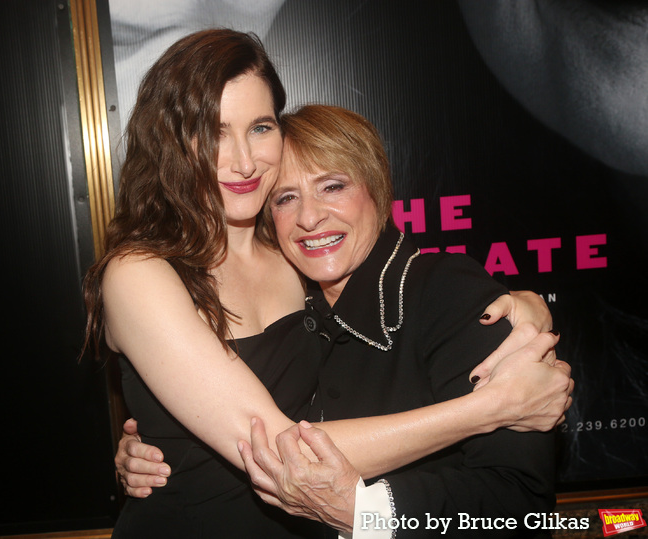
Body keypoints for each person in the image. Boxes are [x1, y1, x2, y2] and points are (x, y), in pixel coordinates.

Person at [86, 30, 571, 538]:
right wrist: (491, 408)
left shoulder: (298, 259)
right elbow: (277, 453)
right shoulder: (139, 272)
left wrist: (521, 302)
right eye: (213, 130)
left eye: (259, 127)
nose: (244, 160)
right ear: (169, 140)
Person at [232, 105, 568, 537]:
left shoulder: (449, 293)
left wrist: (366, 513)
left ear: (376, 189)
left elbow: (520, 504)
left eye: (332, 186)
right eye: (285, 197)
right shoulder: (288, 312)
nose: (309, 217)